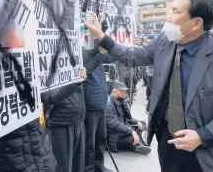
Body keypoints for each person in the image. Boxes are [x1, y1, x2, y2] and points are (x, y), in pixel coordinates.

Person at [85, 0, 213, 172]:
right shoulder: (165, 41)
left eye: (175, 11)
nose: (168, 17)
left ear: (196, 23)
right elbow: (131, 56)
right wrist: (101, 37)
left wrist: (202, 136)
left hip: (204, 152)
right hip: (166, 139)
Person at [40, 67, 87, 172]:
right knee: (63, 167)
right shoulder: (42, 66)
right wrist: (75, 83)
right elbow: (50, 97)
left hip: (78, 122)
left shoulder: (71, 62)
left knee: (78, 165)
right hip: (60, 125)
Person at [82, 40, 114, 172]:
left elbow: (106, 49)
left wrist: (101, 27)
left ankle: (99, 166)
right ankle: (89, 168)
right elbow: (87, 66)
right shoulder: (82, 53)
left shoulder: (97, 53)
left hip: (101, 103)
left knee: (101, 138)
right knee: (90, 142)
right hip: (91, 105)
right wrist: (99, 52)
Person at [105, 81, 151, 155]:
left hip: (124, 129)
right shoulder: (108, 105)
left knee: (143, 124)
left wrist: (136, 122)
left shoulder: (120, 101)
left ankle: (139, 142)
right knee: (131, 139)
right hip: (115, 135)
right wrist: (131, 132)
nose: (125, 94)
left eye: (125, 92)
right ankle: (136, 145)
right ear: (114, 92)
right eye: (122, 92)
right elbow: (114, 124)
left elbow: (128, 117)